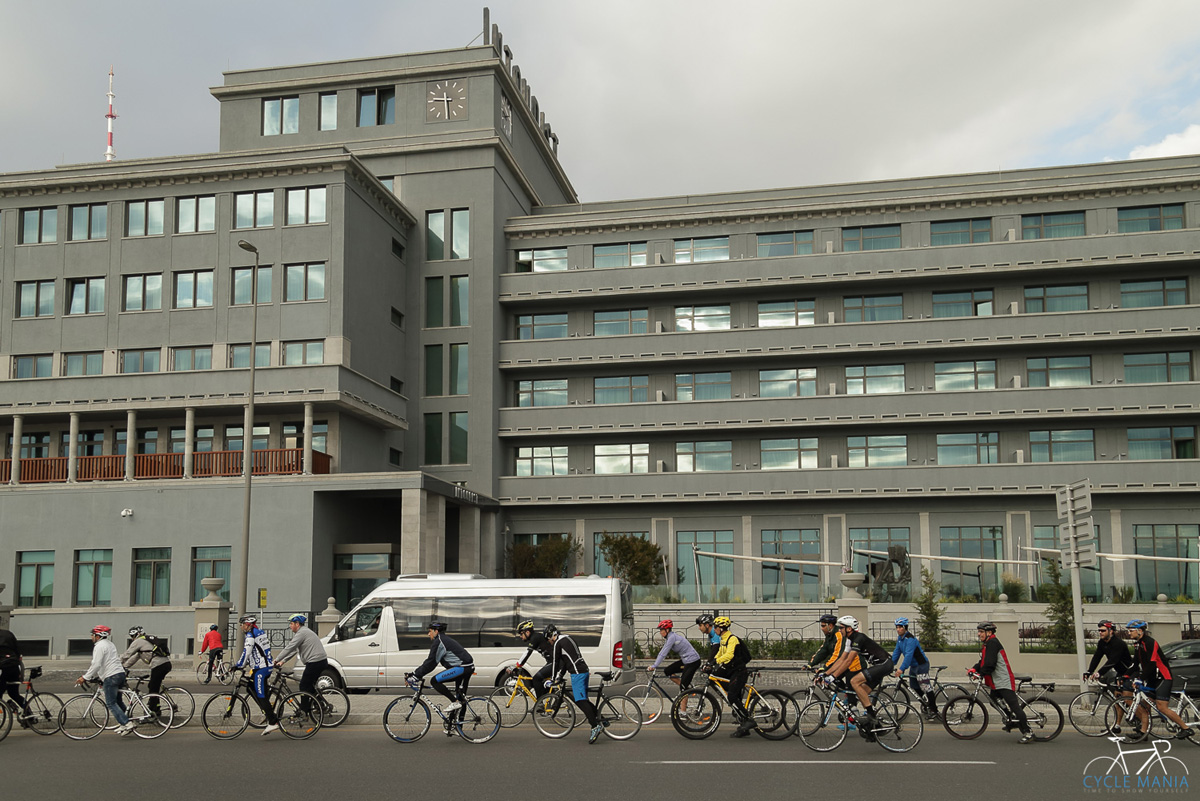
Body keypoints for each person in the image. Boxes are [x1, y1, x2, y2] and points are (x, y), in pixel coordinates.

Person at [1124, 619, 1194, 743]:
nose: (1129, 633)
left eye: (1131, 631)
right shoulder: (1138, 644)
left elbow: (1151, 664)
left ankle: (1186, 728)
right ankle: (1143, 733)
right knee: (1145, 705)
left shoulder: (1150, 643)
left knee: (1162, 707)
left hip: (1163, 677)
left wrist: (1141, 679)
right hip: (1152, 678)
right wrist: (1125, 676)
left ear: (1140, 631)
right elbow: (1135, 664)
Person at [823, 616, 894, 734]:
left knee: (854, 681)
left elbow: (848, 661)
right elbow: (841, 659)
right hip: (878, 666)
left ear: (849, 629)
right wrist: (826, 673)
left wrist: (833, 677)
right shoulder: (849, 640)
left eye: (841, 628)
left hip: (884, 664)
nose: (839, 630)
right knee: (861, 694)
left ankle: (871, 716)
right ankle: (875, 727)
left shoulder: (858, 638)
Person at [969, 621, 1033, 744]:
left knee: (1015, 706)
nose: (979, 634)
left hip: (1004, 680)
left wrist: (981, 674)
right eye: (979, 632)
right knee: (994, 700)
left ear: (989, 632)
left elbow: (990, 664)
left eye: (981, 632)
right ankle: (1010, 719)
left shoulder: (993, 643)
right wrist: (974, 669)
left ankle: (1028, 731)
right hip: (997, 681)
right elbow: (983, 661)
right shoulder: (988, 644)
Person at [546, 624, 604, 744]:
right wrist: (560, 676)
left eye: (548, 639)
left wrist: (552, 679)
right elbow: (567, 661)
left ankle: (595, 726)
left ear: (552, 636)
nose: (549, 642)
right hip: (583, 670)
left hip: (577, 673)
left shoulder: (557, 643)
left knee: (580, 701)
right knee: (584, 700)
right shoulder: (568, 638)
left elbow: (556, 662)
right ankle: (601, 719)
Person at [76, 625, 134, 735]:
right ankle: (125, 723)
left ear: (98, 636)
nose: (91, 637)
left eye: (93, 635)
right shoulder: (109, 644)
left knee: (111, 703)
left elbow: (96, 664)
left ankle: (127, 723)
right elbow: (106, 662)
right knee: (118, 701)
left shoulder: (99, 646)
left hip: (111, 676)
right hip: (119, 674)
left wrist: (85, 677)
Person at [410, 621, 474, 718]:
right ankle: (456, 728)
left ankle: (454, 702)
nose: (428, 634)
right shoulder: (444, 639)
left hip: (462, 668)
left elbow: (431, 662)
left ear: (436, 631)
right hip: (467, 667)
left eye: (430, 631)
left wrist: (415, 676)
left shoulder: (439, 642)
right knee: (461, 699)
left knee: (434, 681)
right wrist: (415, 674)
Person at [274, 614, 329, 717]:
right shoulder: (304, 632)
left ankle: (304, 710)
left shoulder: (302, 633)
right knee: (309, 686)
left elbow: (289, 647)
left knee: (303, 685)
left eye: (291, 623)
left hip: (315, 662)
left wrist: (276, 660)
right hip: (319, 661)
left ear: (297, 624)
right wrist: (283, 661)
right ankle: (321, 706)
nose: (290, 626)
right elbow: (294, 649)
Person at [234, 614, 279, 736]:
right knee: (251, 687)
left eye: (242, 624)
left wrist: (238, 665)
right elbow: (256, 652)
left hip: (262, 669)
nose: (241, 627)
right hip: (262, 666)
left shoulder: (250, 636)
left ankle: (273, 721)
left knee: (261, 695)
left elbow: (246, 652)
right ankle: (267, 709)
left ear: (248, 625)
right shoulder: (259, 632)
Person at [711, 616, 755, 738]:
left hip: (739, 671)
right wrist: (711, 662)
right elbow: (720, 652)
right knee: (716, 679)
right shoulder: (723, 639)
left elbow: (729, 655)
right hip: (732, 670)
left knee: (732, 696)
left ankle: (748, 719)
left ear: (721, 628)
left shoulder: (732, 639)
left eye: (715, 627)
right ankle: (743, 727)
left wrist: (717, 661)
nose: (714, 629)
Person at [891, 617, 937, 719]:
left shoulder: (910, 639)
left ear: (905, 628)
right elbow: (896, 653)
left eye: (900, 627)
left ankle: (934, 709)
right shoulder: (900, 639)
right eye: (897, 627)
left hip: (922, 665)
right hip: (914, 666)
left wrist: (901, 669)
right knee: (914, 686)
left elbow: (908, 655)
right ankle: (926, 702)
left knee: (925, 687)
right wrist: (889, 664)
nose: (898, 629)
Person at [121, 626, 171, 719]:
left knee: (153, 688)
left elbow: (127, 654)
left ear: (137, 634)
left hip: (159, 665)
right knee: (153, 686)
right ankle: (156, 706)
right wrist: (123, 666)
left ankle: (153, 711)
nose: (132, 638)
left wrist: (116, 663)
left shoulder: (139, 641)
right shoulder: (144, 644)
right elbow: (133, 659)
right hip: (164, 664)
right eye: (131, 636)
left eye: (133, 635)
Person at [648, 619, 702, 691]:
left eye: (661, 630)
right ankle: (686, 690)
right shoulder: (670, 637)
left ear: (667, 630)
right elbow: (662, 652)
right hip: (685, 660)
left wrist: (654, 666)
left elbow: (663, 653)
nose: (660, 632)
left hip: (693, 662)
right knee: (668, 671)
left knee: (683, 687)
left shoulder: (672, 637)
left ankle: (684, 691)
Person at [509, 620, 554, 698]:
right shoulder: (535, 637)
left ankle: (539, 705)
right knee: (542, 683)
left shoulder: (535, 637)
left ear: (527, 632)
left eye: (521, 633)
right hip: (552, 662)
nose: (520, 636)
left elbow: (527, 653)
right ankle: (553, 695)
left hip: (555, 662)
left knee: (536, 679)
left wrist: (517, 665)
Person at [1083, 620, 1134, 686]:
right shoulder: (1102, 642)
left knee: (1125, 694)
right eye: (1099, 631)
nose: (1100, 632)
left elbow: (1113, 661)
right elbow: (1097, 657)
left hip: (1129, 671)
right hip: (1119, 672)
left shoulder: (1118, 643)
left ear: (1111, 631)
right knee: (1115, 692)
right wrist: (1089, 671)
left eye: (1103, 631)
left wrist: (1099, 673)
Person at [0, 624, 32, 728]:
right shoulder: (8, 634)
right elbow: (18, 652)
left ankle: (6, 710)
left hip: (3, 669)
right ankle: (29, 715)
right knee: (14, 694)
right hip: (13, 667)